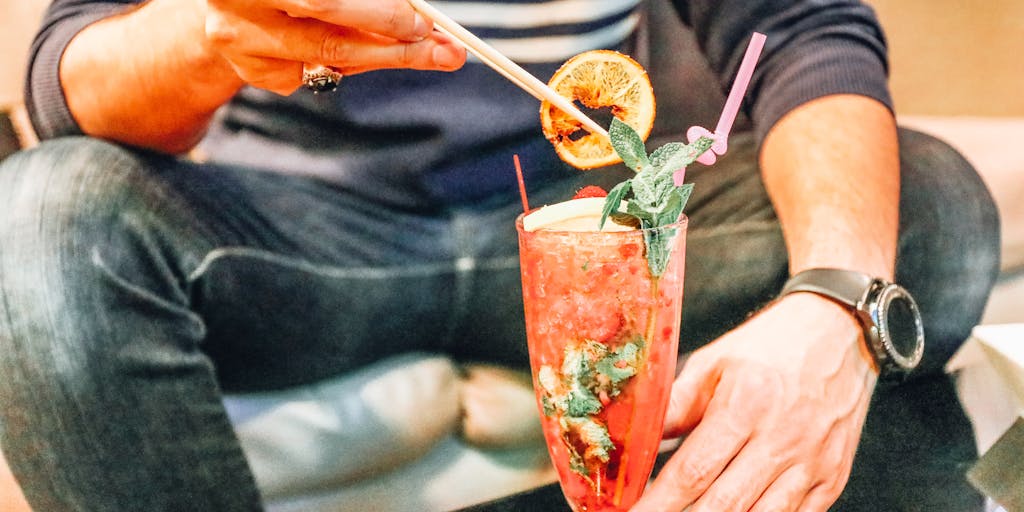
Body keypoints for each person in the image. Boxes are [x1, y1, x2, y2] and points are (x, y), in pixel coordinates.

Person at [0, 0, 1000, 510]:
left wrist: (834, 303)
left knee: (927, 212)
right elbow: (64, 87)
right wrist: (208, 35)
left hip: (594, 221)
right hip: (299, 243)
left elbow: (804, 29)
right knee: (37, 223)